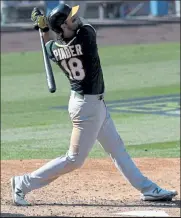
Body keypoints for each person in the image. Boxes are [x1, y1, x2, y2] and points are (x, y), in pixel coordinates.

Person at [11, 3, 178, 206]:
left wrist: (44, 28)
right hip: (87, 108)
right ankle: (22, 183)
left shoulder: (55, 49)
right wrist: (47, 27)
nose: (77, 18)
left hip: (88, 104)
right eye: (71, 18)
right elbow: (68, 35)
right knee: (74, 159)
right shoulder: (86, 35)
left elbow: (49, 46)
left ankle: (149, 189)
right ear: (63, 26)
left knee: (117, 149)